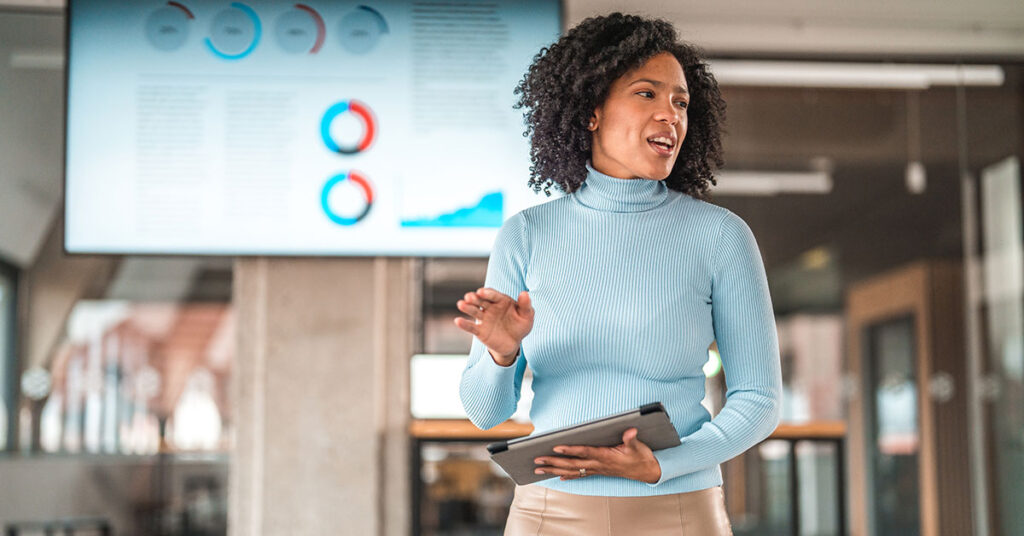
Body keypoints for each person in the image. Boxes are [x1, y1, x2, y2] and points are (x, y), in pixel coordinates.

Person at [455, 12, 782, 535]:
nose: (670, 115)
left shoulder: (721, 235)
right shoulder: (526, 235)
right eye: (647, 94)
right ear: (591, 112)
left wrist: (662, 466)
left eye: (681, 102)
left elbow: (760, 401)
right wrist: (501, 352)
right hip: (548, 514)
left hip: (680, 511)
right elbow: (484, 413)